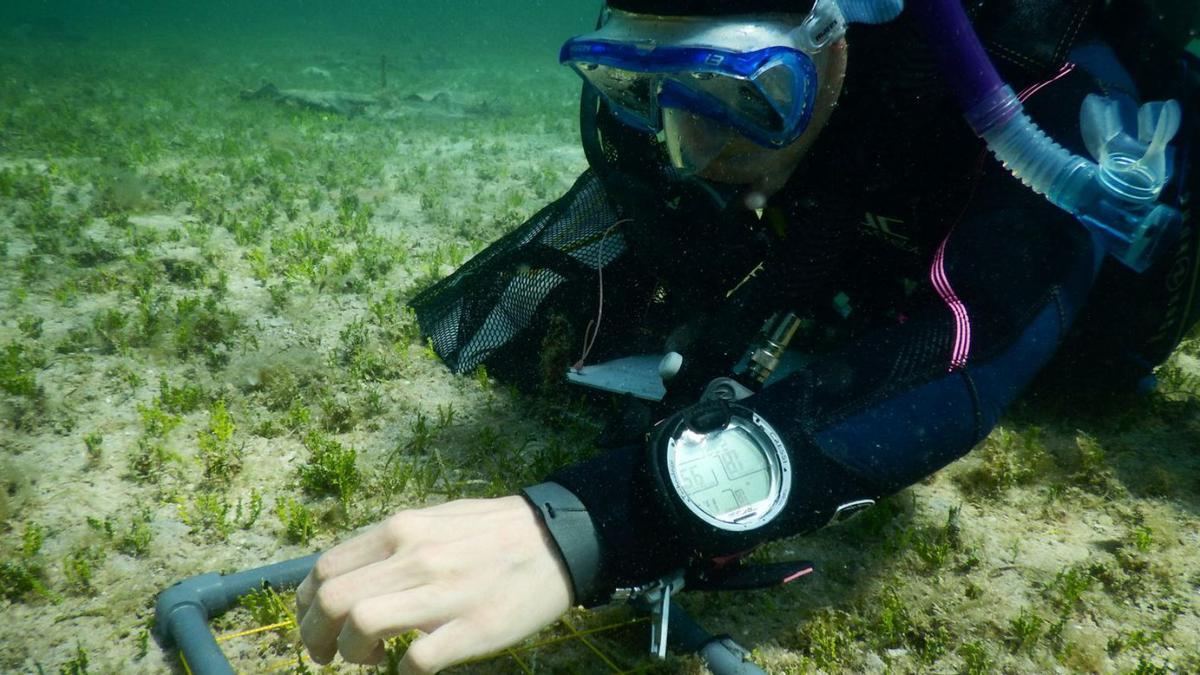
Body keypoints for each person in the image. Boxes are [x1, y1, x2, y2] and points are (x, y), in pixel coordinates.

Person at [294, 0, 1199, 672]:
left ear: (841, 33)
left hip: (1079, 283)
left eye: (743, 92)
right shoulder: (680, 112)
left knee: (1088, 379)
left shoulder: (1040, 89)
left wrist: (603, 518)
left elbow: (972, 342)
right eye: (643, 84)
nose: (693, 144)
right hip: (867, 237)